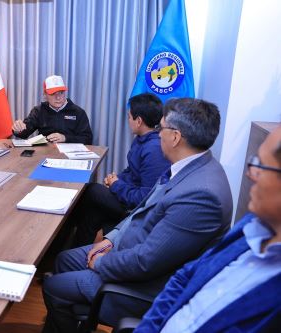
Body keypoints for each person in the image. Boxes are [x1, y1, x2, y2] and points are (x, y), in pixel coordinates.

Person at [42, 98, 233, 332]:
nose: (157, 133)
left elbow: (146, 262)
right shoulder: (185, 166)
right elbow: (142, 210)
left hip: (140, 286)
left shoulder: (201, 195)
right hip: (128, 248)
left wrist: (102, 261)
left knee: (53, 287)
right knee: (64, 260)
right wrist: (111, 239)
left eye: (161, 128)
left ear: (175, 137)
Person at [134, 126, 281, 333]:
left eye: (261, 166)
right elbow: (186, 276)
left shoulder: (202, 192)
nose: (250, 174)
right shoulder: (251, 226)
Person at [70, 93, 170, 246]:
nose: (128, 120)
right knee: (92, 213)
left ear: (139, 121)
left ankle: (64, 233)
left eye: (129, 117)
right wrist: (116, 178)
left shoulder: (154, 150)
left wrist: (116, 185)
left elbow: (146, 198)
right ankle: (73, 253)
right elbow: (132, 170)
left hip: (135, 209)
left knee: (91, 191)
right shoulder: (141, 140)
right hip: (127, 194)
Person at [12, 75, 93, 144]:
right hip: (45, 153)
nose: (58, 97)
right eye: (53, 93)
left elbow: (88, 139)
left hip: (69, 156)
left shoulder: (78, 112)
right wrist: (18, 129)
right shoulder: (38, 111)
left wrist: (65, 138)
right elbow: (24, 134)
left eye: (61, 92)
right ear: (45, 95)